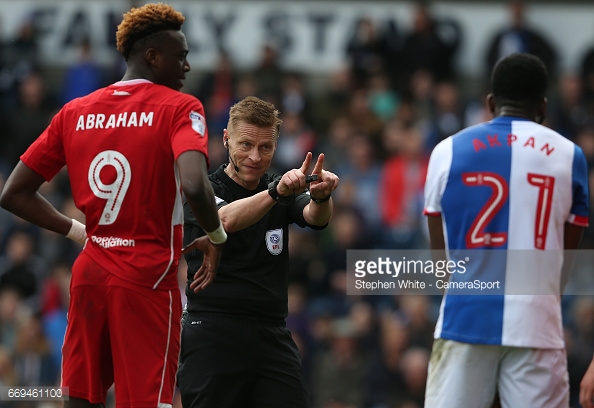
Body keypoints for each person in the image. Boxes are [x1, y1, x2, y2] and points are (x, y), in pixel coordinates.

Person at [0, 3, 226, 407]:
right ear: (152, 56)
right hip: (148, 275)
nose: (187, 67)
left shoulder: (75, 111)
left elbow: (12, 193)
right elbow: (193, 182)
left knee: (80, 397)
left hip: (90, 272)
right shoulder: (180, 107)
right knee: (145, 400)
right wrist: (216, 234)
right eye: (181, 55)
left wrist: (75, 230)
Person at [423, 53, 589, 408]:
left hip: (465, 319)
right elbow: (567, 255)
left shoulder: (446, 151)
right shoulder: (570, 155)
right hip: (537, 322)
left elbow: (440, 258)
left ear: (490, 102)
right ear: (543, 105)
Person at [177, 95, 339, 408]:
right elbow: (225, 220)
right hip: (212, 330)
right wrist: (276, 192)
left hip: (271, 333)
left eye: (265, 147)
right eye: (246, 145)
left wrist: (321, 197)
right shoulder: (202, 189)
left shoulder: (279, 189)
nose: (255, 156)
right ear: (226, 139)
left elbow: (315, 218)